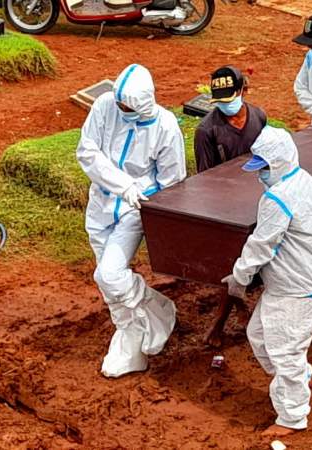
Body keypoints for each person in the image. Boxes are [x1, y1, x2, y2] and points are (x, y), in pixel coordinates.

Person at [222, 126, 312, 437]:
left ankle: (292, 416)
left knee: (285, 352)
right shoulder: (307, 182)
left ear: (279, 162)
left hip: (300, 289)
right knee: (258, 334)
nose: (260, 175)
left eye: (265, 169)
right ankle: (303, 376)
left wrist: (239, 277)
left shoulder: (278, 197)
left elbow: (262, 244)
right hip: (302, 281)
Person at [76, 63, 187, 378]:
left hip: (136, 209)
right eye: (119, 104)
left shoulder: (164, 126)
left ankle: (156, 312)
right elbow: (87, 151)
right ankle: (130, 331)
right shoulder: (104, 106)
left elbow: (172, 180)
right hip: (102, 201)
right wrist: (121, 185)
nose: (121, 110)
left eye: (128, 106)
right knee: (109, 282)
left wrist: (147, 207)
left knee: (108, 275)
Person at [194, 65, 269, 347]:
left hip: (259, 199)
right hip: (227, 207)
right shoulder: (207, 130)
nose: (227, 106)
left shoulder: (258, 117)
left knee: (251, 262)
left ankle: (237, 309)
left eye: (231, 99)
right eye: (221, 101)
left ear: (243, 91)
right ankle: (221, 321)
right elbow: (206, 177)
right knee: (232, 266)